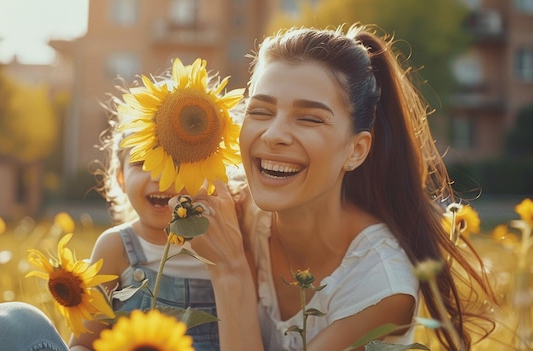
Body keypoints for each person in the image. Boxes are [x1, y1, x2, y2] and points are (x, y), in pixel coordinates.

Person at [184, 24, 496, 351]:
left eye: (310, 119)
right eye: (261, 111)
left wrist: (231, 272)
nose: (274, 134)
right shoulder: (235, 211)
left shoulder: (379, 286)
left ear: (355, 150)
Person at [0, 81, 220, 351]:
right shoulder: (117, 248)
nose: (159, 176)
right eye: (142, 163)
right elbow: (84, 343)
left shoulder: (223, 246)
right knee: (7, 322)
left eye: (175, 162)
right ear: (120, 177)